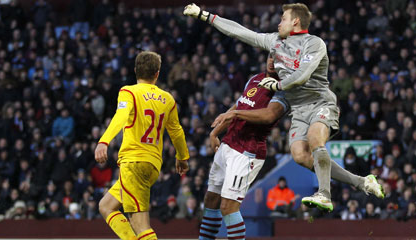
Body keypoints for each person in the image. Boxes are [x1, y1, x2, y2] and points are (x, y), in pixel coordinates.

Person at [184, 3, 384, 212]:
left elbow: (303, 74)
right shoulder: (275, 42)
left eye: (283, 19)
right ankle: (362, 182)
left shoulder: (314, 43)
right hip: (298, 110)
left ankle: (324, 194)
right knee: (300, 156)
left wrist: (278, 85)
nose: (279, 23)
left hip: (320, 103)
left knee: (316, 138)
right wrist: (205, 15)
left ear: (295, 21)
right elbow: (241, 32)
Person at [94, 51, 190, 240]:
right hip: (152, 164)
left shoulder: (128, 92)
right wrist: (182, 157)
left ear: (135, 70)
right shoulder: (168, 99)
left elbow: (121, 116)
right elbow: (176, 131)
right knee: (106, 206)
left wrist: (104, 141)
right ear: (157, 73)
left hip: (133, 163)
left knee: (140, 224)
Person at [199, 54, 289, 240]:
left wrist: (236, 114)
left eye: (278, 58)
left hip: (248, 151)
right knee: (211, 199)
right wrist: (215, 132)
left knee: (228, 207)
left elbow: (269, 116)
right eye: (270, 57)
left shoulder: (285, 88)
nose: (272, 61)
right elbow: (238, 105)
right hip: (228, 143)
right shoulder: (255, 79)